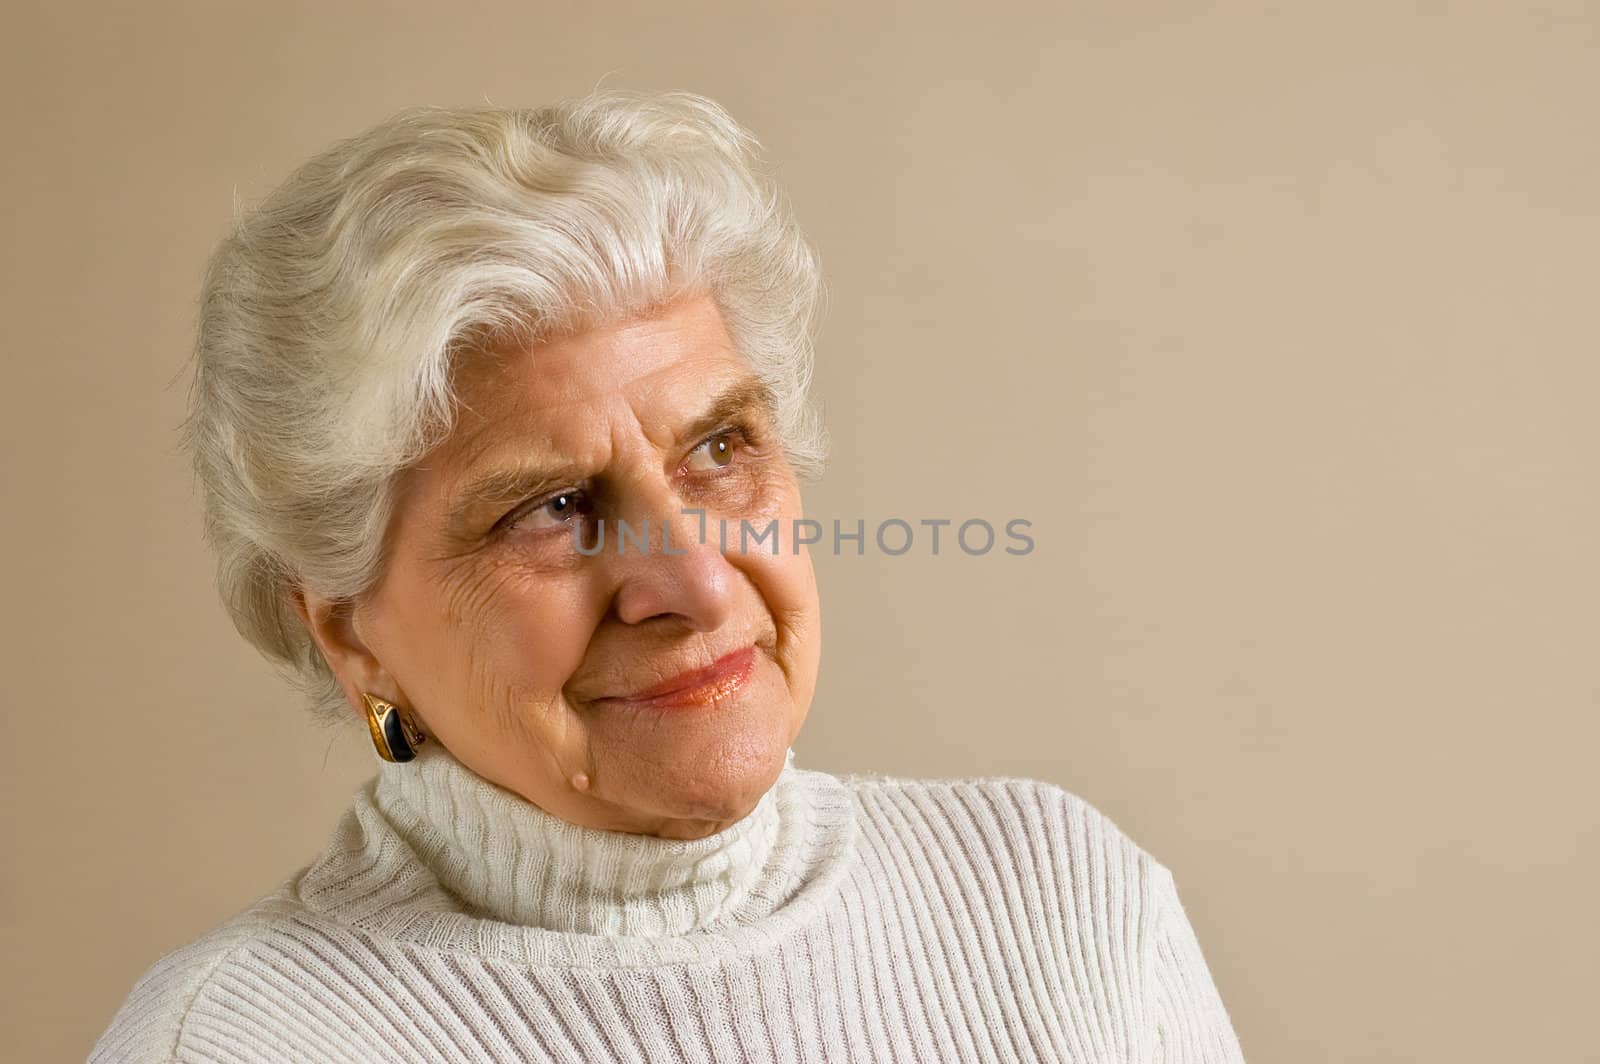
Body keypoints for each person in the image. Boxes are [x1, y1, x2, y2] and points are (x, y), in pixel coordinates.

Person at [91, 89, 1246, 1062]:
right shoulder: (249, 1037)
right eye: (551, 508)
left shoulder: (1061, 894)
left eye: (719, 447)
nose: (692, 580)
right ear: (349, 632)